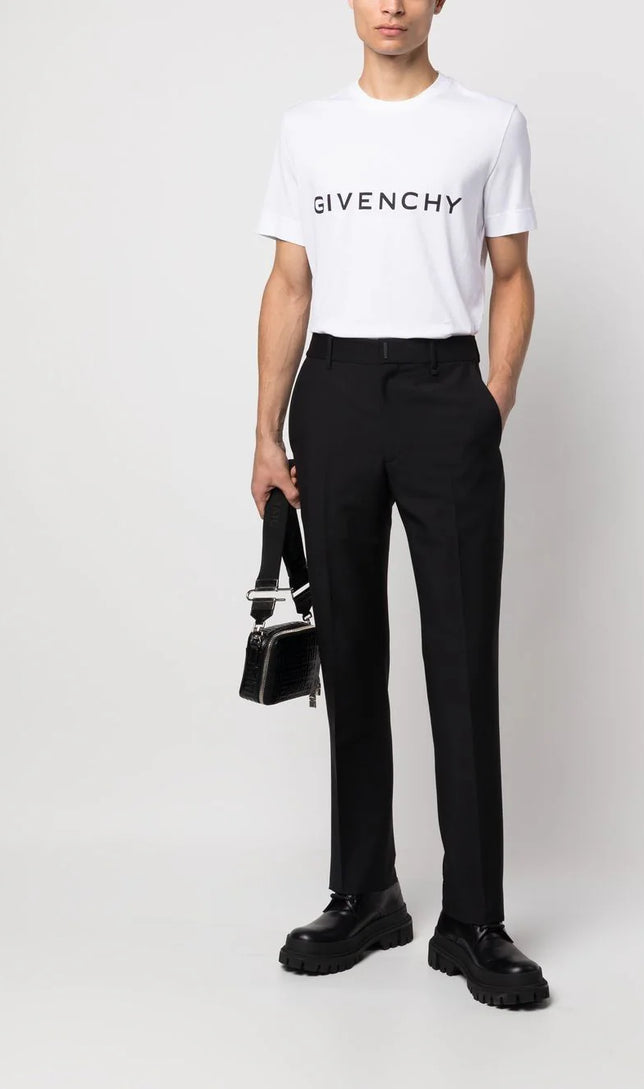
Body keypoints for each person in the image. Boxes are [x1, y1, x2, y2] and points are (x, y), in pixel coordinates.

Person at [251, 0, 549, 1009]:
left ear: (438, 1)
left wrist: (492, 398)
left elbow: (512, 273)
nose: (392, 6)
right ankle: (366, 892)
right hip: (333, 392)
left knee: (461, 656)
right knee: (349, 654)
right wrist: (266, 433)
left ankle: (474, 919)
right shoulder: (308, 130)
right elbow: (289, 284)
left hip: (442, 391)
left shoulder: (489, 124)